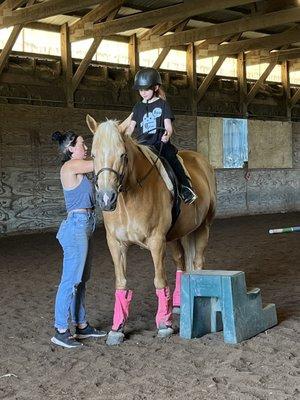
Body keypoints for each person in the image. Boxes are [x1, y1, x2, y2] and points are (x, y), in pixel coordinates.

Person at [51, 130, 106, 348]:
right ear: (71, 149)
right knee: (70, 280)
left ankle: (81, 325)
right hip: (76, 226)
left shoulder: (79, 170)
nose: (87, 148)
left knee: (81, 280)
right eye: (83, 144)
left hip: (86, 224)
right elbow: (100, 161)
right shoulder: (70, 167)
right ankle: (60, 329)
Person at [126, 67, 197, 204]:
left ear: (156, 87)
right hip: (143, 145)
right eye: (141, 90)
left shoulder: (163, 105)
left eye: (146, 89)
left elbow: (168, 127)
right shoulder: (138, 107)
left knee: (172, 159)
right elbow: (131, 127)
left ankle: (185, 188)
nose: (143, 93)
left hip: (159, 144)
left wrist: (167, 135)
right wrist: (126, 137)